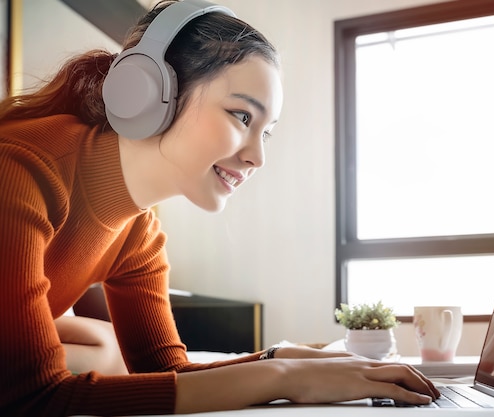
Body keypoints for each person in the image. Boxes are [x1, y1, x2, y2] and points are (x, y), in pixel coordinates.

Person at [0, 1, 439, 415]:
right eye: (243, 116)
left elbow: (167, 374)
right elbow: (34, 400)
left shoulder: (140, 234)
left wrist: (278, 359)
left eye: (266, 132)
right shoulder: (17, 170)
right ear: (146, 91)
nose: (257, 158)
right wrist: (280, 378)